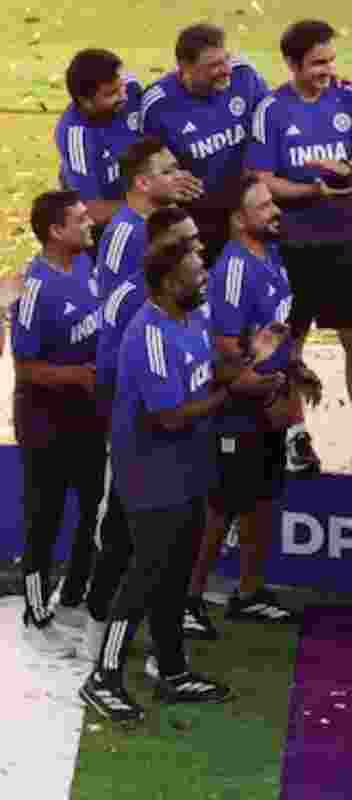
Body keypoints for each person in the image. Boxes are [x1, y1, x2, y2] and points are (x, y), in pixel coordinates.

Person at [78, 240, 281, 724]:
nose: (205, 278)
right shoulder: (148, 334)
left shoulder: (192, 319)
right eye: (196, 273)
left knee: (175, 574)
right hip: (150, 477)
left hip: (188, 471)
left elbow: (208, 369)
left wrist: (253, 354)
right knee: (144, 576)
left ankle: (170, 667)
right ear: (170, 284)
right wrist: (230, 391)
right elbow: (169, 416)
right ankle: (102, 678)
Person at [246, 20, 352, 478]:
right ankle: (296, 434)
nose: (327, 70)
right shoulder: (271, 110)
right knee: (291, 341)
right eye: (317, 64)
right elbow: (261, 178)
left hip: (343, 241)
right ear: (292, 64)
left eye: (330, 60)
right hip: (291, 247)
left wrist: (346, 167)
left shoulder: (349, 99)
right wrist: (310, 190)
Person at [186, 174, 312, 636]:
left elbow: (279, 334)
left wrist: (289, 387)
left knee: (260, 501)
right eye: (264, 206)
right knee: (220, 509)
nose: (275, 211)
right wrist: (260, 391)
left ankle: (250, 593)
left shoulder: (273, 256)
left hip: (269, 399)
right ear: (240, 220)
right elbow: (222, 349)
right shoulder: (234, 269)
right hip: (239, 408)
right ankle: (189, 598)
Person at [85, 207, 205, 657]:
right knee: (119, 540)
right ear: (160, 248)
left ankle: (160, 649)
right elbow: (109, 376)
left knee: (162, 556)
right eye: (187, 242)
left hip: (177, 456)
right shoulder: (128, 303)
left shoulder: (193, 300)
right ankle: (99, 631)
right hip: (136, 449)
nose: (198, 249)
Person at [13, 191, 105, 655]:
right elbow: (25, 368)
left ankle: (71, 599)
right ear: (55, 231)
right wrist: (78, 376)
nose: (91, 224)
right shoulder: (35, 288)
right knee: (44, 518)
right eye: (81, 219)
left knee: (93, 509)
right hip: (45, 419)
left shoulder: (87, 267)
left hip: (87, 415)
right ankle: (35, 616)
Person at [142, 23, 271, 268]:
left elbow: (273, 123)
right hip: (199, 221)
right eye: (213, 65)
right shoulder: (158, 105)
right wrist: (170, 179)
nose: (225, 71)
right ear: (185, 68)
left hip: (247, 212)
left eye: (226, 60)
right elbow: (146, 165)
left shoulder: (245, 77)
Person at [54, 49, 158, 227]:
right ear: (85, 101)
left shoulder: (132, 88)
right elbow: (91, 210)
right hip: (112, 225)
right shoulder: (77, 136)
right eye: (111, 94)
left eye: (121, 86)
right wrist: (151, 205)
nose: (123, 96)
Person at [95, 137, 193, 306]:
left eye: (177, 168)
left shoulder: (174, 220)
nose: (180, 177)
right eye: (168, 172)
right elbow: (112, 306)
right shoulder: (123, 236)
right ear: (143, 183)